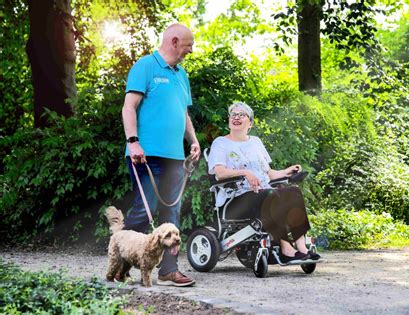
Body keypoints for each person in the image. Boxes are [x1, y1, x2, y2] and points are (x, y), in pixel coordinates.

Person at [121, 23, 200, 287]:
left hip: (175, 158)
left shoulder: (182, 75)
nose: (190, 50)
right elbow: (129, 107)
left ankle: (168, 270)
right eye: (188, 45)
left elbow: (183, 113)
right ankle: (120, 262)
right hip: (145, 155)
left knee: (172, 215)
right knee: (144, 211)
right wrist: (133, 142)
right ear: (174, 41)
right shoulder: (146, 66)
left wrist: (194, 141)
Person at [207, 102, 320, 263]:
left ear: (250, 123)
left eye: (241, 115)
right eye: (233, 114)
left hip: (263, 192)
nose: (236, 117)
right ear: (229, 120)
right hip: (236, 200)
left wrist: (286, 172)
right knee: (271, 193)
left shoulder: (256, 142)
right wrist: (245, 173)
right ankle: (286, 248)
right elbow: (219, 173)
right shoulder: (221, 143)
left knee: (293, 191)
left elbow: (268, 174)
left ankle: (302, 248)